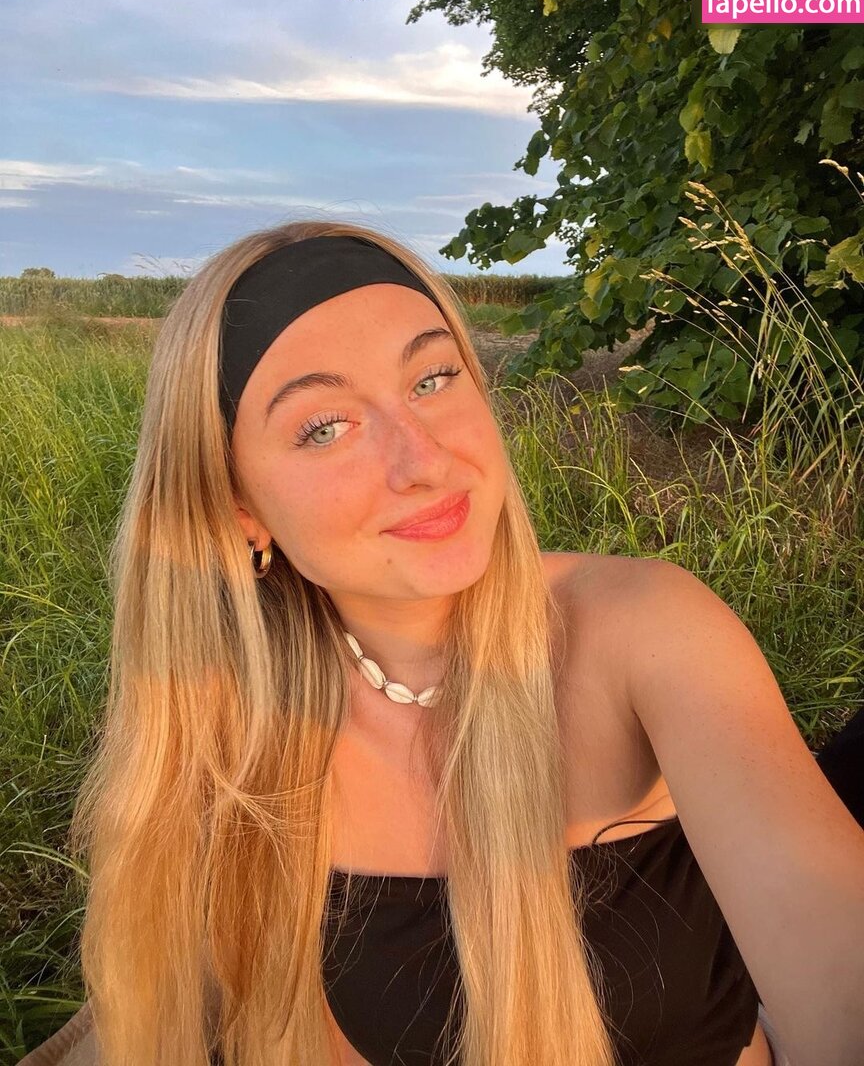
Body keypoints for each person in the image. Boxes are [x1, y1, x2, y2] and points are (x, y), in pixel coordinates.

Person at [15, 224, 864, 1066]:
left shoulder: (647, 632)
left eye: (431, 378)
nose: (423, 459)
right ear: (240, 509)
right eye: (325, 427)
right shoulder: (237, 736)